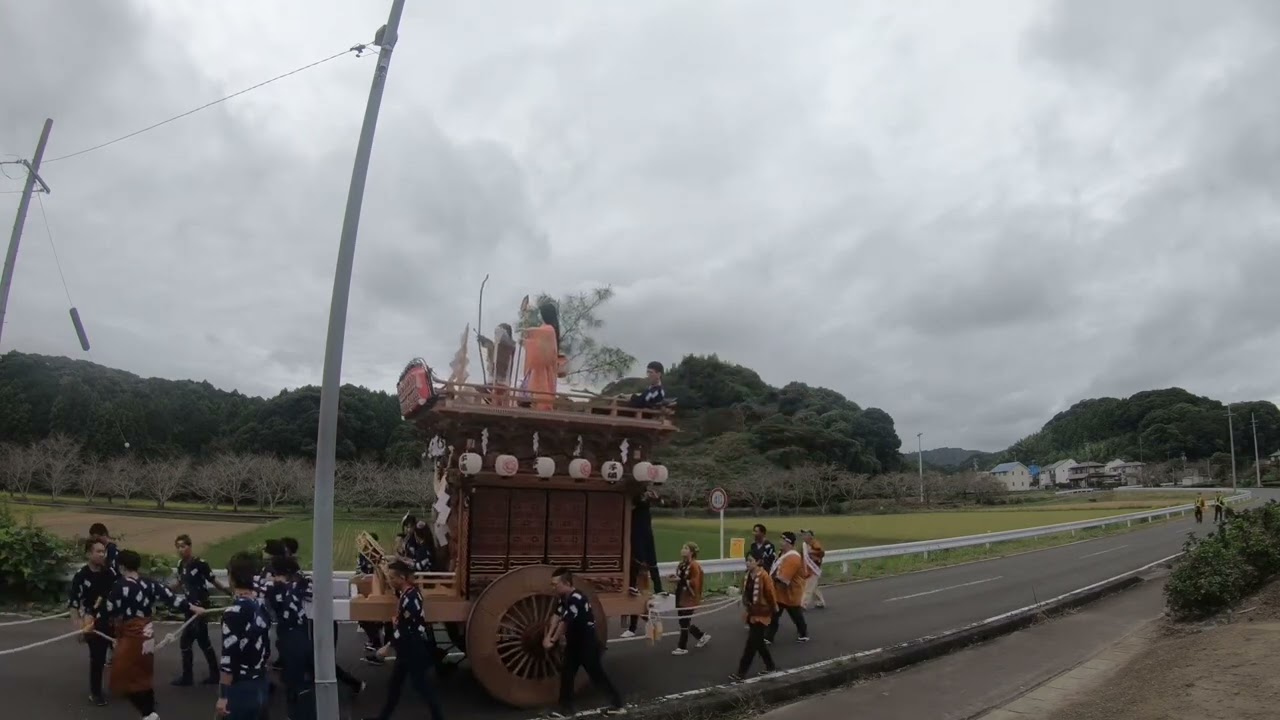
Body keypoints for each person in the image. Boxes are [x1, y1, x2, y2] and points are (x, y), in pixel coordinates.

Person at [105, 549, 206, 720]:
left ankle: (148, 713)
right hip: (147, 633)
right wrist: (193, 608)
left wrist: (94, 625)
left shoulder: (120, 586)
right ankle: (149, 710)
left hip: (132, 636)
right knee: (143, 674)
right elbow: (171, 598)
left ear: (121, 566)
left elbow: (109, 611)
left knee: (121, 678)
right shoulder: (149, 584)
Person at [363, 560, 445, 720]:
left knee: (421, 687)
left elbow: (408, 628)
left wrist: (388, 646)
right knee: (396, 686)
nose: (390, 581)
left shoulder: (411, 598)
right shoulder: (407, 594)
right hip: (407, 648)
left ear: (402, 578)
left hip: (412, 647)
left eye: (392, 578)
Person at [545, 567, 625, 717]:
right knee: (567, 674)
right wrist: (548, 636)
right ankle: (565, 709)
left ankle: (617, 704)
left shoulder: (577, 598)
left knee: (597, 675)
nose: (553, 587)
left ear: (567, 583)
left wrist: (553, 640)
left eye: (556, 584)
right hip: (574, 643)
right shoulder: (563, 597)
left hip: (587, 643)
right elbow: (556, 615)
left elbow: (565, 623)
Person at [216, 551, 273, 720]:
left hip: (241, 686)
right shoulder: (260, 607)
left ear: (232, 578)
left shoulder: (233, 613)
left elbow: (229, 656)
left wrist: (223, 695)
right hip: (260, 681)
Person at [171, 534, 227, 686]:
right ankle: (206, 674)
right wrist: (166, 591)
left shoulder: (200, 564)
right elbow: (180, 582)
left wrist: (228, 592)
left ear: (190, 546)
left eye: (183, 546)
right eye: (178, 547)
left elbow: (213, 580)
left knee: (190, 641)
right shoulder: (181, 564)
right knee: (199, 641)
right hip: (189, 606)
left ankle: (192, 676)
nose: (181, 550)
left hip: (201, 606)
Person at [267, 555, 316, 720]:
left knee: (294, 680)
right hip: (301, 633)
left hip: (289, 637)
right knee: (300, 678)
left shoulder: (275, 589)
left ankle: (297, 714)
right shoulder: (299, 586)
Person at [69, 538, 116, 707]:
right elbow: (74, 603)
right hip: (93, 622)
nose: (102, 554)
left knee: (124, 654)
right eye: (98, 551)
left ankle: (126, 686)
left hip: (113, 620)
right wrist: (78, 628)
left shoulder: (110, 573)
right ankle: (96, 692)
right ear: (89, 554)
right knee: (97, 657)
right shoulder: (81, 576)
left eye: (104, 551)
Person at [730, 553, 777, 682]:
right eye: (747, 561)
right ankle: (770, 666)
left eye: (750, 561)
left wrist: (774, 608)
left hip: (762, 613)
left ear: (758, 562)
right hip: (752, 612)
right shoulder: (747, 576)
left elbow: (770, 593)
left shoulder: (764, 576)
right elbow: (744, 592)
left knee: (751, 644)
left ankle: (741, 672)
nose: (748, 563)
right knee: (759, 642)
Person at [623, 487, 663, 637]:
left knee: (643, 600)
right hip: (637, 561)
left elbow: (659, 500)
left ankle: (648, 625)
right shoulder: (634, 503)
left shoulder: (645, 505)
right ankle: (634, 627)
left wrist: (653, 497)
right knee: (637, 598)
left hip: (643, 573)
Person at [766, 532, 810, 643]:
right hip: (780, 593)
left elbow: (784, 579)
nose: (780, 542)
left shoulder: (793, 558)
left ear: (788, 542)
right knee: (774, 615)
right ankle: (768, 637)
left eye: (782, 540)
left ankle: (803, 633)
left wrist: (768, 583)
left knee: (796, 615)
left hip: (791, 593)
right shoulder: (782, 554)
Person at [358, 532, 393, 663]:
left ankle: (381, 644)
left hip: (384, 597)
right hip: (381, 596)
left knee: (371, 617)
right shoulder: (377, 563)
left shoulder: (381, 564)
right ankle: (382, 643)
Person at [521, 301, 561, 410]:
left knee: (542, 391)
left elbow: (535, 336)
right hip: (541, 368)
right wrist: (527, 341)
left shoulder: (549, 329)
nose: (539, 315)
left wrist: (526, 335)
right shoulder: (548, 328)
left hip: (544, 368)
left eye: (540, 313)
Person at [670, 542, 709, 655]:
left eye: (686, 548)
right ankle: (701, 636)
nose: (682, 550)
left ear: (691, 552)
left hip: (689, 597)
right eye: (683, 547)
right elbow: (680, 578)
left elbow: (695, 582)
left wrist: (680, 580)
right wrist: (674, 578)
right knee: (683, 621)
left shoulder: (694, 566)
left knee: (684, 621)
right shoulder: (681, 564)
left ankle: (682, 647)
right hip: (680, 595)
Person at [800, 529, 826, 610]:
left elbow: (821, 553)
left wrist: (812, 552)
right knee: (813, 587)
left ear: (810, 536)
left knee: (808, 587)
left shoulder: (815, 543)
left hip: (814, 569)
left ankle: (803, 604)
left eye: (805, 534)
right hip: (807, 568)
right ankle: (820, 602)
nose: (803, 536)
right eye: (803, 535)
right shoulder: (804, 545)